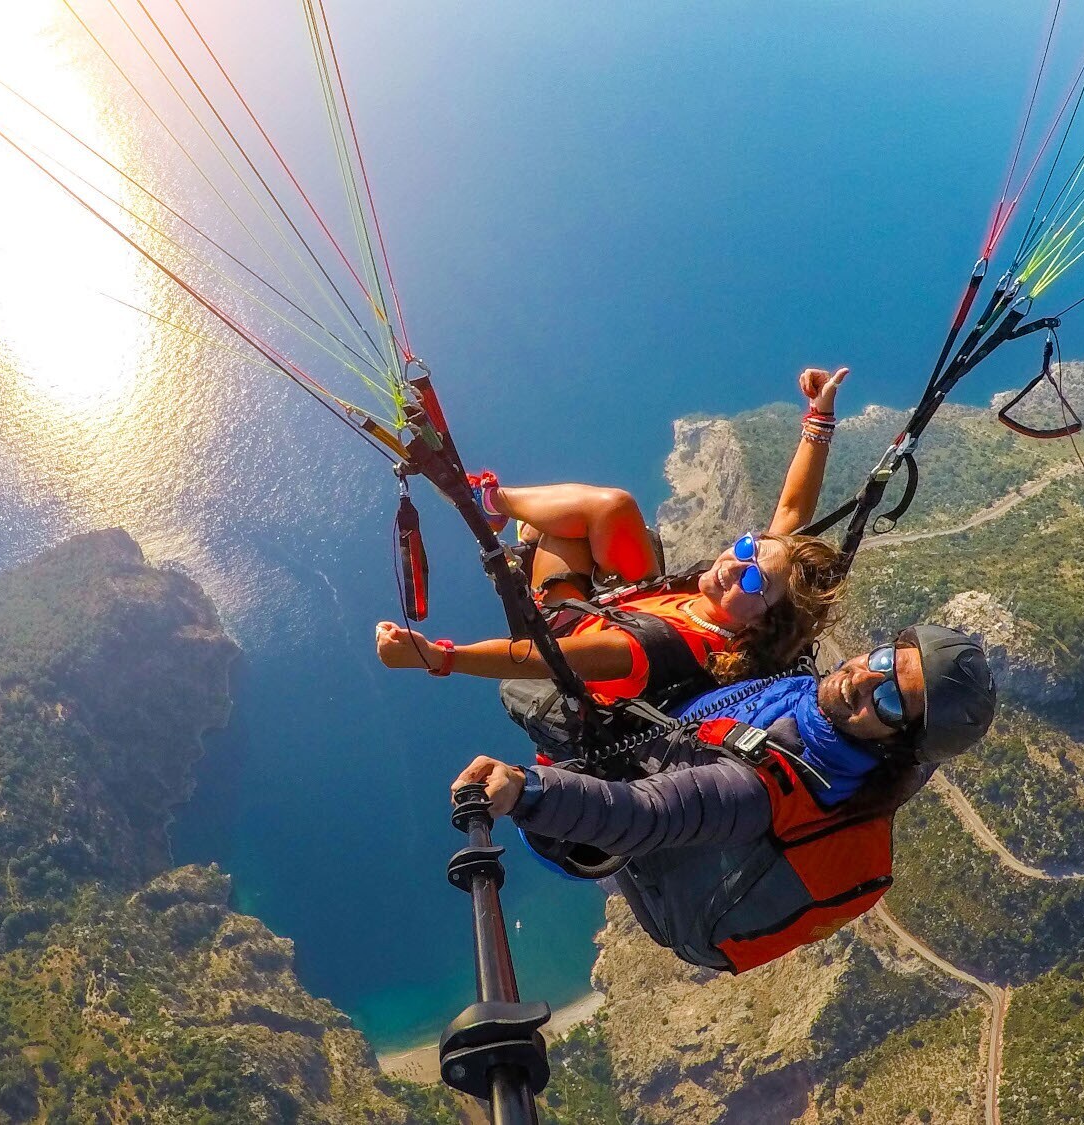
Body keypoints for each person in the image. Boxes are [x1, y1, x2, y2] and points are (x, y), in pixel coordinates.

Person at [450, 624, 998, 972]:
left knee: (526, 697)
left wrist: (529, 789)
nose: (863, 679)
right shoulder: (829, 717)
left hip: (635, 837)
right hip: (688, 747)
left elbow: (647, 815)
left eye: (893, 703)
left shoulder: (766, 790)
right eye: (884, 660)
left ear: (901, 745)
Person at [374, 367, 853, 708]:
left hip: (573, 625)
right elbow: (792, 512)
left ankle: (502, 509)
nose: (734, 566)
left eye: (753, 582)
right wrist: (818, 417)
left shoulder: (653, 651)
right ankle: (501, 507)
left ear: (759, 624)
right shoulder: (731, 600)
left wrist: (435, 656)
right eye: (747, 549)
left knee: (563, 525)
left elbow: (537, 658)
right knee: (614, 509)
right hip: (634, 598)